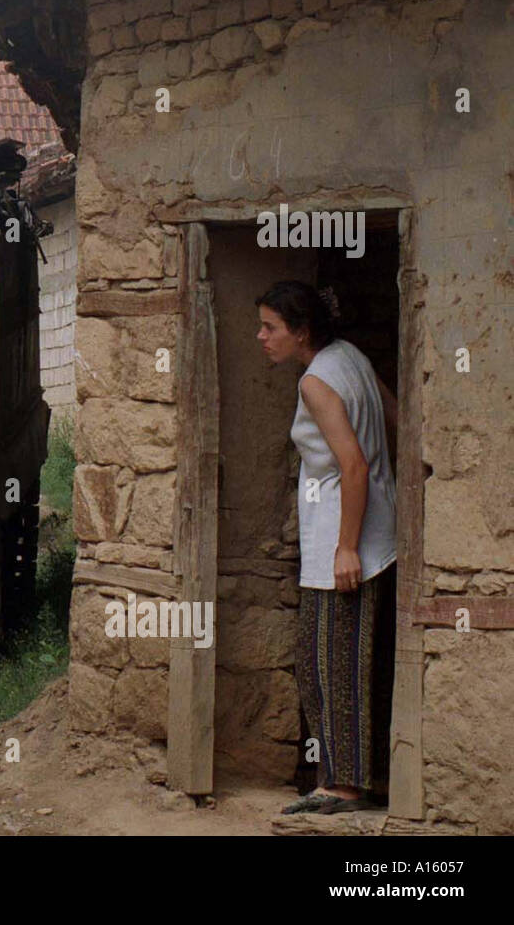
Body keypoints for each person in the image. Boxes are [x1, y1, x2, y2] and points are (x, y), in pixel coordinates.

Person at [257, 281, 399, 816]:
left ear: (302, 331)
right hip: (370, 534)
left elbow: (354, 464)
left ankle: (343, 786)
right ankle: (359, 776)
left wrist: (346, 547)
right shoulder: (351, 358)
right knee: (339, 662)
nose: (262, 336)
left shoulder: (317, 382)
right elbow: (395, 416)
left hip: (344, 543)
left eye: (271, 327)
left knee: (329, 668)